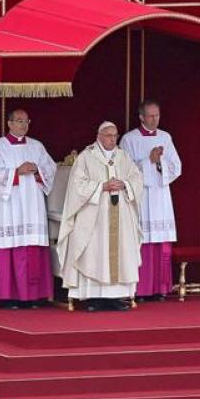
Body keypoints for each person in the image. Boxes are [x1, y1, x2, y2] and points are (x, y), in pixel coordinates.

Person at [57, 121, 144, 311]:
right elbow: (77, 186)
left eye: (115, 136)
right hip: (94, 217)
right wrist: (102, 186)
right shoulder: (86, 157)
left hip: (120, 215)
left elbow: (137, 178)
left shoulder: (123, 156)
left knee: (120, 252)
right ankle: (93, 298)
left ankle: (115, 297)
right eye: (108, 135)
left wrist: (125, 184)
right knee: (94, 253)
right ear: (99, 137)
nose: (112, 139)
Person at [0, 109, 58, 309]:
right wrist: (16, 171)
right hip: (9, 208)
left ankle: (35, 296)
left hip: (32, 204)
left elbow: (51, 168)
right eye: (19, 121)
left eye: (26, 121)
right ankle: (9, 297)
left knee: (32, 247)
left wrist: (38, 170)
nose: (23, 125)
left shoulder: (36, 146)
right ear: (9, 123)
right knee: (11, 248)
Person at [119, 100, 182, 301]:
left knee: (161, 243)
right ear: (141, 117)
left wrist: (161, 163)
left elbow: (176, 167)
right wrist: (149, 161)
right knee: (143, 243)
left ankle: (161, 288)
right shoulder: (129, 140)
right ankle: (141, 290)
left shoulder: (166, 137)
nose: (154, 119)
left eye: (157, 115)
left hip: (161, 196)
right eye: (150, 116)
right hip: (140, 197)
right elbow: (123, 170)